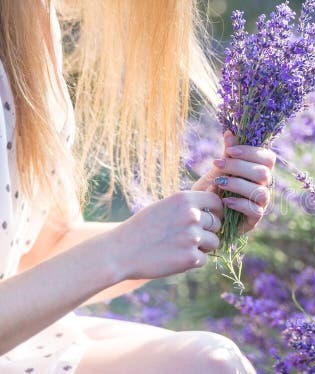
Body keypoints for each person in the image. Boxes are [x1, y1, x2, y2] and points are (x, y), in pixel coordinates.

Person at [0, 1, 273, 372]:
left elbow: (45, 251)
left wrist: (193, 219)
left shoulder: (32, 19)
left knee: (211, 363)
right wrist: (122, 250)